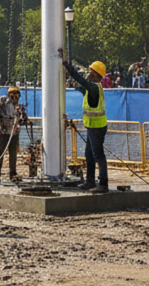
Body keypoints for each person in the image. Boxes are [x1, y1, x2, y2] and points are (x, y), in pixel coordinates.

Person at [60, 49, 109, 193]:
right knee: (89, 154)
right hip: (93, 126)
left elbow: (80, 80)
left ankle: (103, 184)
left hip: (97, 127)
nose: (88, 73)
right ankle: (90, 181)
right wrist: (69, 78)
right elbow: (80, 86)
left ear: (96, 74)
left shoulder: (94, 88)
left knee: (98, 155)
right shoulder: (90, 89)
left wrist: (69, 68)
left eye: (91, 71)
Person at [0, 85, 30, 183]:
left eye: (17, 95)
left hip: (14, 133)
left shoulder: (19, 107)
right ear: (9, 95)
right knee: (0, 153)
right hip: (4, 132)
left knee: (13, 154)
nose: (15, 98)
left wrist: (24, 121)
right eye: (12, 95)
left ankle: (12, 174)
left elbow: (22, 119)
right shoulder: (3, 102)